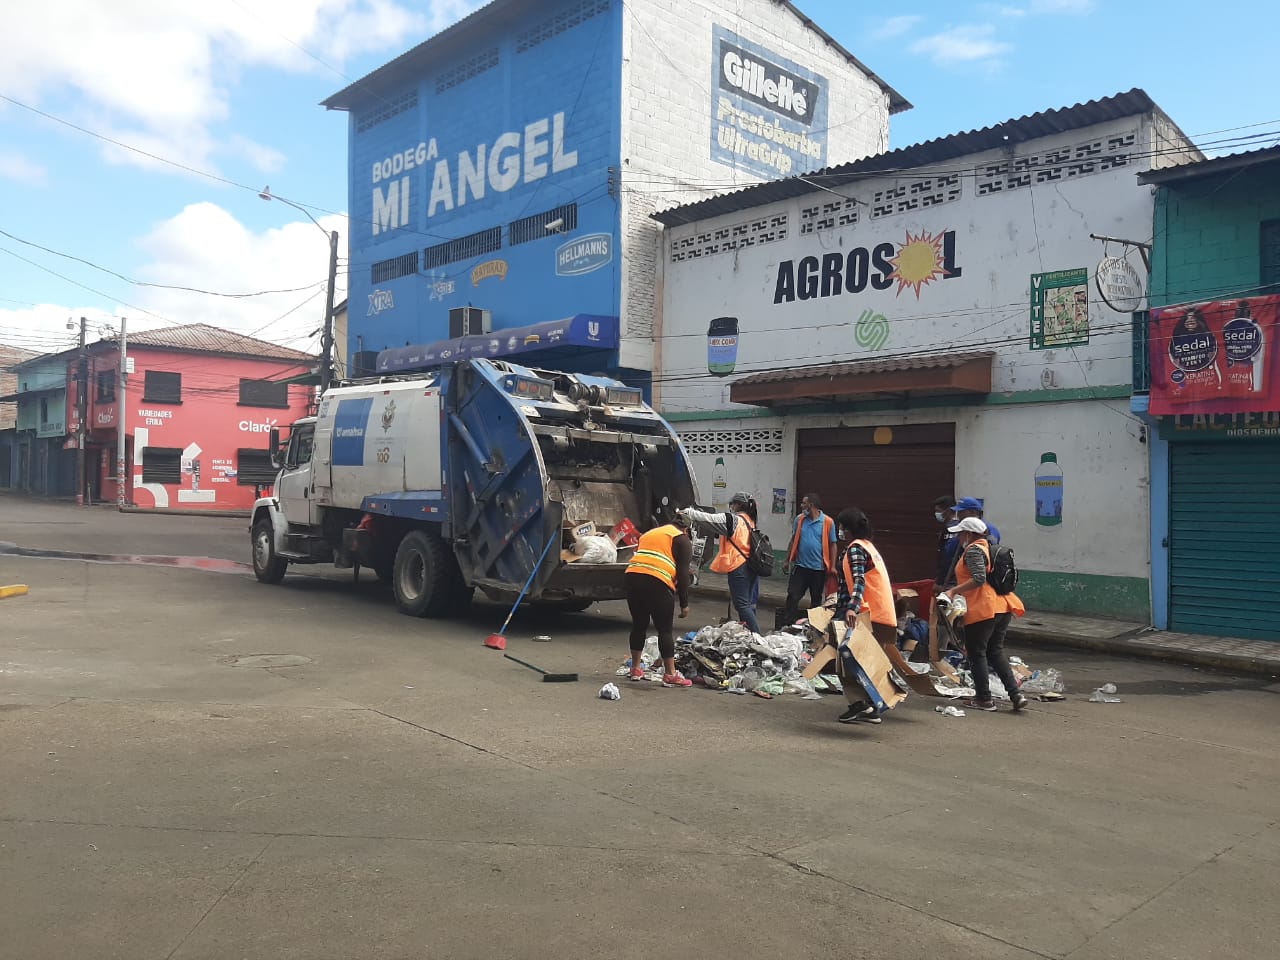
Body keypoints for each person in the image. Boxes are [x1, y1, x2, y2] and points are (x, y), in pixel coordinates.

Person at [939, 517, 1028, 712]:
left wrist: (953, 591)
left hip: (984, 609)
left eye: (961, 533)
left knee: (976, 653)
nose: (959, 537)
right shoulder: (989, 548)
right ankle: (1016, 695)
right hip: (1003, 606)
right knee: (995, 651)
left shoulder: (973, 550)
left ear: (969, 534)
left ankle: (984, 699)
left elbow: (979, 579)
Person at [832, 506, 897, 725]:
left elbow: (859, 580)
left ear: (847, 528)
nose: (839, 530)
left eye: (841, 526)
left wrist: (852, 606)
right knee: (858, 658)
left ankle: (862, 704)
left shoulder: (855, 549)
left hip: (860, 611)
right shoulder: (868, 546)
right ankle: (868, 704)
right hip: (873, 611)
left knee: (845, 658)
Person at [624, 514, 694, 688]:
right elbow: (683, 575)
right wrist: (684, 604)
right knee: (664, 629)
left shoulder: (650, 534)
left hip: (631, 576)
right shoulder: (682, 540)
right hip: (657, 581)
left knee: (639, 624)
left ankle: (635, 668)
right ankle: (670, 674)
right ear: (686, 529)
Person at [682, 492, 762, 634]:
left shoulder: (734, 520)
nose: (731, 506)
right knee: (745, 604)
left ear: (738, 505)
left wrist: (689, 512)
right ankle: (748, 634)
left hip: (739, 566)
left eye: (733, 504)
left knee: (742, 605)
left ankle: (756, 636)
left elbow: (709, 519)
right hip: (750, 566)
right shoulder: (749, 521)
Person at [782, 493, 838, 626]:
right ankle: (788, 625)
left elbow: (833, 544)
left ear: (811, 505)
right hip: (800, 567)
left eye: (804, 503)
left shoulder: (828, 522)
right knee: (793, 596)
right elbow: (793, 539)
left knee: (816, 601)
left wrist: (833, 566)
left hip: (818, 570)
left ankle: (814, 628)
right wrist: (787, 559)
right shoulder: (799, 519)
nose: (801, 506)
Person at [933, 495, 958, 586]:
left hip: (950, 580)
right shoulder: (959, 527)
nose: (936, 514)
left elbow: (947, 558)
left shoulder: (950, 529)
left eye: (938, 511)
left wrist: (940, 582)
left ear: (949, 510)